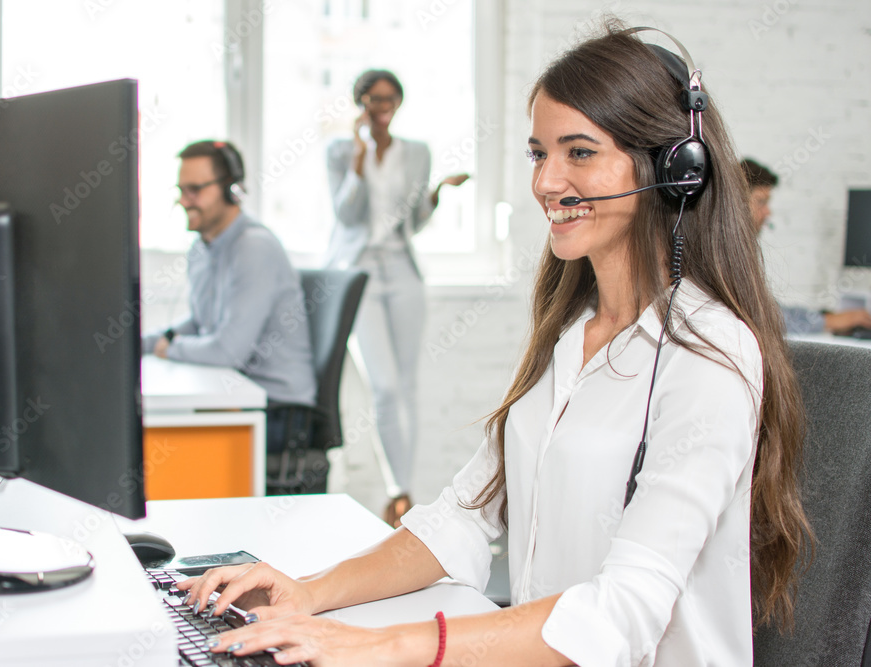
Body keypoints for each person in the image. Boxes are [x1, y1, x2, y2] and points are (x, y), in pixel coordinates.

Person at [175, 26, 812, 665]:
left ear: (673, 169)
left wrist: (383, 646)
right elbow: (463, 517)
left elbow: (623, 613)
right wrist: (306, 595)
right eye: (539, 153)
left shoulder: (708, 355)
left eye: (579, 152)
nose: (546, 182)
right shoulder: (570, 337)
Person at [325, 68, 469, 526]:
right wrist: (361, 159)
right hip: (359, 271)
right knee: (383, 386)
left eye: (390, 98)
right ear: (361, 102)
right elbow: (347, 215)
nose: (381, 106)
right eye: (372, 98)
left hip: (402, 271)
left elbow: (414, 222)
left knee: (405, 387)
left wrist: (437, 194)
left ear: (398, 102)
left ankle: (401, 496)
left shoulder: (417, 153)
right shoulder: (341, 151)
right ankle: (396, 488)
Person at [143, 140, 318, 456]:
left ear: (232, 190)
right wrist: (141, 343)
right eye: (181, 190)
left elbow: (226, 351)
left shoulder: (253, 248)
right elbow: (200, 322)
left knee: (165, 452)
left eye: (195, 189)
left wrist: (168, 349)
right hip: (235, 398)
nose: (184, 201)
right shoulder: (201, 248)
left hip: (278, 413)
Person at [741, 157, 871, 335]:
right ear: (736, 203)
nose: (768, 211)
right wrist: (830, 321)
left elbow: (772, 310)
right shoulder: (727, 254)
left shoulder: (741, 250)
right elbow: (768, 321)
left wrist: (823, 317)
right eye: (761, 201)